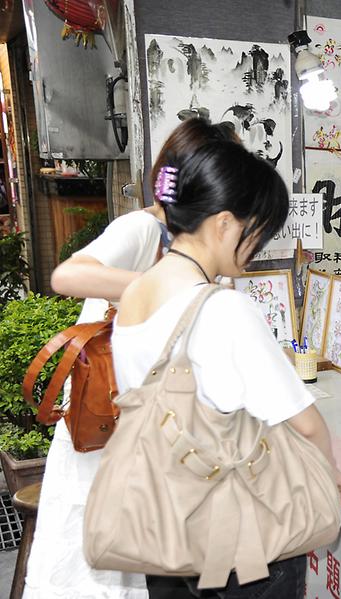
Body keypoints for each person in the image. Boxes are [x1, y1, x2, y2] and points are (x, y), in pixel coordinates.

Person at [112, 139, 341, 597]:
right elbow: (306, 425)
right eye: (257, 232)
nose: (258, 247)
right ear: (224, 224)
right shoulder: (224, 310)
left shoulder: (135, 297)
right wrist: (328, 470)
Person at [25, 118, 240, 599]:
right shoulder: (145, 227)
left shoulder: (199, 243)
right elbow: (69, 275)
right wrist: (162, 288)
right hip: (107, 430)